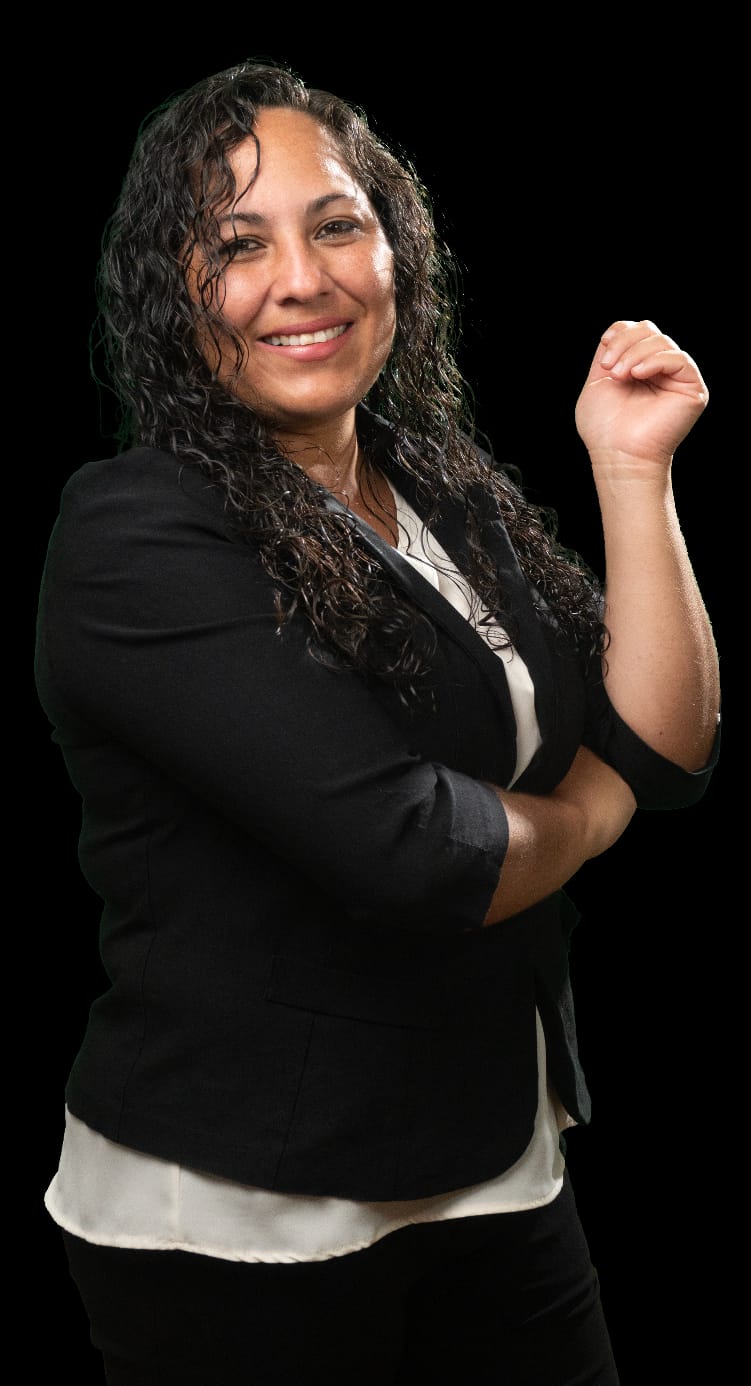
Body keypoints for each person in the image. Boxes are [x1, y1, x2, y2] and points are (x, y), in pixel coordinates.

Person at [34, 56, 721, 1386]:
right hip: (251, 1212)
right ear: (174, 290)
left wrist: (631, 471)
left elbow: (664, 742)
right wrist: (593, 808)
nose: (303, 278)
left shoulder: (434, 489)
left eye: (337, 224)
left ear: (398, 252)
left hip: (491, 1152)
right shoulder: (135, 535)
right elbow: (417, 852)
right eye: (239, 244)